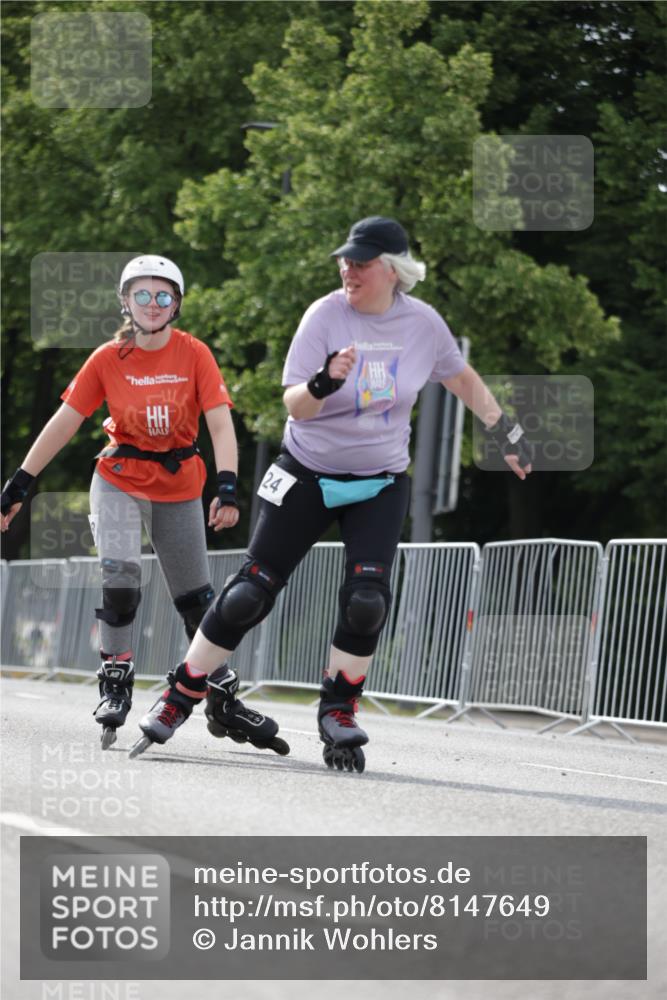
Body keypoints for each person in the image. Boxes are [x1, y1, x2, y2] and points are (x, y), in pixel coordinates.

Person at [128, 219, 532, 771]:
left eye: (362, 263)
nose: (349, 270)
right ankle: (182, 694)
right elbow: (295, 404)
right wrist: (323, 382)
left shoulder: (422, 325)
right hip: (308, 473)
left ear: (393, 270)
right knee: (251, 591)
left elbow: (461, 378)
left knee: (368, 601)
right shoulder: (325, 315)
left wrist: (504, 429)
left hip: (380, 482)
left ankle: (339, 709)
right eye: (345, 260)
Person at [1, 254, 288, 754]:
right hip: (118, 478)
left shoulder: (194, 353)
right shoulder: (108, 358)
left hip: (179, 485)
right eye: (142, 295)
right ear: (125, 301)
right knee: (120, 578)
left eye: (163, 296)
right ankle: (116, 678)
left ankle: (221, 693)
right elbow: (65, 421)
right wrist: (20, 483)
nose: (152, 304)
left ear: (176, 305)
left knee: (198, 604)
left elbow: (219, 422)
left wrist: (226, 487)